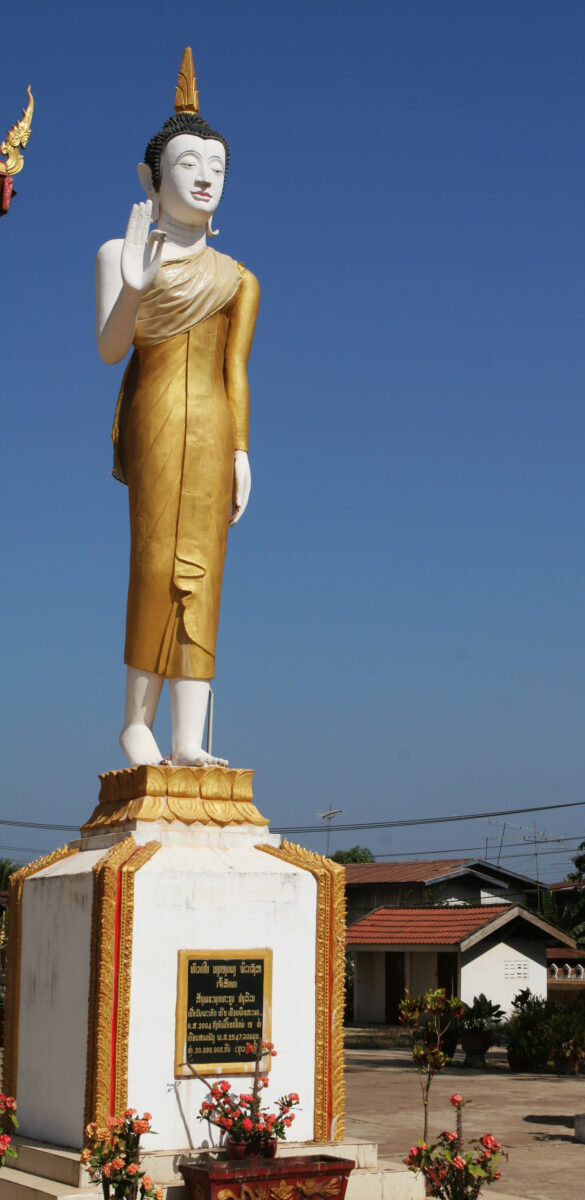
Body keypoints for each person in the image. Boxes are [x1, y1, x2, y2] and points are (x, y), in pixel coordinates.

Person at [95, 49, 259, 768]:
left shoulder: (237, 277)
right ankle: (137, 724)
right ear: (151, 178)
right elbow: (109, 349)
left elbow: (237, 370)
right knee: (157, 559)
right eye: (189, 163)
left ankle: (189, 738)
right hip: (157, 413)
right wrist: (134, 283)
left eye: (216, 168)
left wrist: (243, 450)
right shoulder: (119, 253)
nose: (203, 178)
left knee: (207, 569)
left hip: (216, 422)